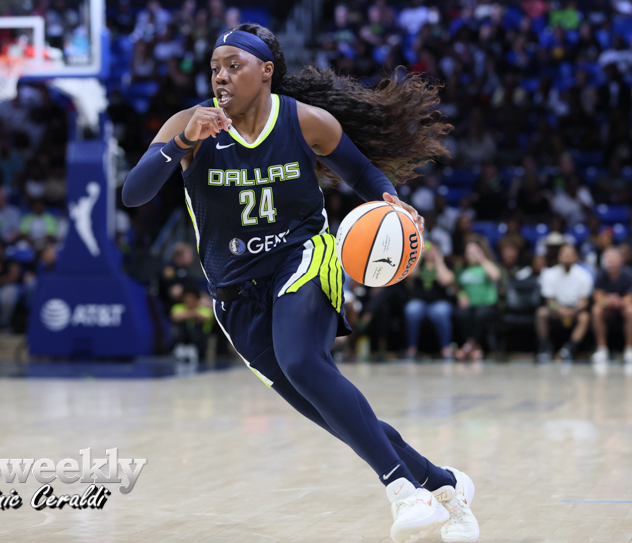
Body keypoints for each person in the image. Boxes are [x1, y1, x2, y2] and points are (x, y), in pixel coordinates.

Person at [122, 24, 478, 543]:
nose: (221, 76)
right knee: (331, 412)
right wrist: (180, 142)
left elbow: (364, 174)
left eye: (234, 66)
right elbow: (133, 193)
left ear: (266, 71)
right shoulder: (190, 125)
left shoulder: (305, 121)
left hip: (303, 257)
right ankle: (445, 486)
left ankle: (403, 491)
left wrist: (393, 204)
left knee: (302, 361)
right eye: (215, 67)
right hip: (235, 297)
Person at [536, 244, 593, 362]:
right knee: (541, 313)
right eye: (564, 254)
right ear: (559, 256)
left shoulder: (584, 275)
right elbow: (549, 300)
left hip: (575, 309)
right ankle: (545, 349)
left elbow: (584, 301)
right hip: (556, 307)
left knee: (584, 318)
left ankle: (569, 349)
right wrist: (560, 309)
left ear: (576, 257)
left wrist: (572, 311)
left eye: (570, 254)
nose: (567, 257)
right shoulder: (549, 274)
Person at [403, 243, 455, 361]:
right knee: (411, 310)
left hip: (439, 302)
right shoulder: (420, 263)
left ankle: (445, 348)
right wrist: (418, 257)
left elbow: (445, 280)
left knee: (441, 312)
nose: (429, 252)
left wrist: (438, 261)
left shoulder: (446, 264)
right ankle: (412, 348)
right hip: (420, 302)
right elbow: (410, 275)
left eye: (433, 249)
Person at [455, 241, 501, 361]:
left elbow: (495, 275)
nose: (472, 255)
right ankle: (475, 348)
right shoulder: (462, 269)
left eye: (475, 252)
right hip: (470, 304)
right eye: (469, 253)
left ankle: (467, 347)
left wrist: (482, 259)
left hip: (487, 304)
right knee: (461, 313)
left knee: (480, 315)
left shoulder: (486, 265)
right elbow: (457, 286)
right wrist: (461, 295)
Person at [591, 248, 632, 365]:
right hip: (607, 307)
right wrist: (608, 301)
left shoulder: (629, 274)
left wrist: (619, 302)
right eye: (608, 260)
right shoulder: (601, 274)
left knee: (631, 310)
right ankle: (601, 349)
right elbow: (597, 296)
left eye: (614, 260)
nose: (611, 263)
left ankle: (630, 349)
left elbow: (631, 296)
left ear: (621, 261)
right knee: (596, 310)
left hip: (622, 307)